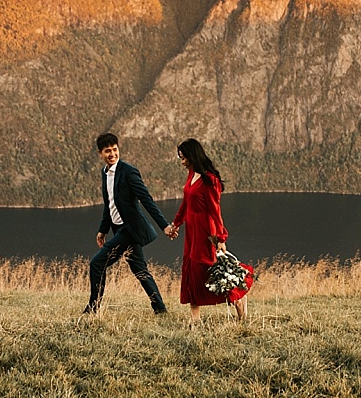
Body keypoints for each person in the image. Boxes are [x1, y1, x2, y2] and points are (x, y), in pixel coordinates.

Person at [163, 138, 253, 322]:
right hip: (192, 231)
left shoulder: (210, 180)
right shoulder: (192, 174)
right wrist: (175, 224)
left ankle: (238, 297)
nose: (182, 162)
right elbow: (186, 204)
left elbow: (215, 211)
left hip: (206, 232)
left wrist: (221, 238)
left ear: (192, 156)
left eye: (183, 158)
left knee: (210, 269)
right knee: (192, 272)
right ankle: (194, 320)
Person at [84, 132, 170, 316]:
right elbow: (109, 204)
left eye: (115, 149)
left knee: (97, 263)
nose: (112, 154)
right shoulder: (105, 173)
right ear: (100, 153)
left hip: (130, 230)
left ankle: (93, 308)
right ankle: (160, 309)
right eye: (107, 151)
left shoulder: (128, 172)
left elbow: (146, 199)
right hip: (119, 229)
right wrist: (102, 230)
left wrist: (164, 225)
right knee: (139, 269)